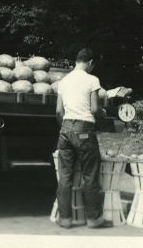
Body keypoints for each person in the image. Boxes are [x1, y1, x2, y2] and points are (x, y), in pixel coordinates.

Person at [55, 48, 106, 229]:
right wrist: (102, 110)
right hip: (85, 130)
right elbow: (93, 109)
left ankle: (65, 219)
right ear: (90, 63)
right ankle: (94, 219)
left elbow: (58, 111)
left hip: (66, 129)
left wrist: (67, 127)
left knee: (65, 176)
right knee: (90, 175)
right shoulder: (92, 80)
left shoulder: (64, 81)